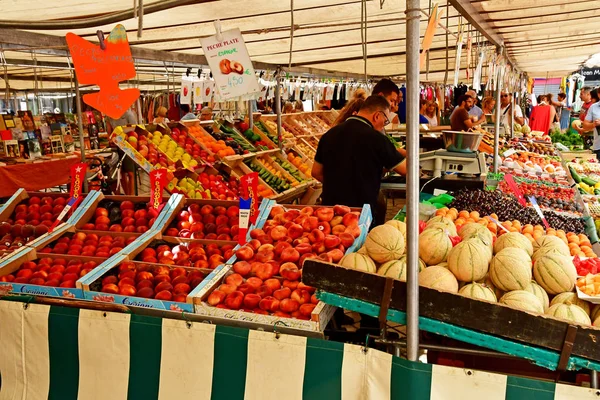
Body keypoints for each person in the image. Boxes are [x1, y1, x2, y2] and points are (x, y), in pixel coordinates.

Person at [312, 95, 406, 223]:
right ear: (377, 116)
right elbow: (406, 170)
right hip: (361, 213)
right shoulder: (377, 139)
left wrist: (338, 184)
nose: (383, 126)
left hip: (330, 211)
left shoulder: (329, 135)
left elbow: (316, 172)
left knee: (334, 241)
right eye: (385, 121)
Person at [105, 109, 138, 195]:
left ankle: (132, 196)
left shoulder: (129, 114)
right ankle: (127, 195)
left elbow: (135, 129)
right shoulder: (109, 116)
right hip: (116, 146)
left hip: (128, 146)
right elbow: (109, 133)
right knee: (121, 173)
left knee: (130, 173)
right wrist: (111, 138)